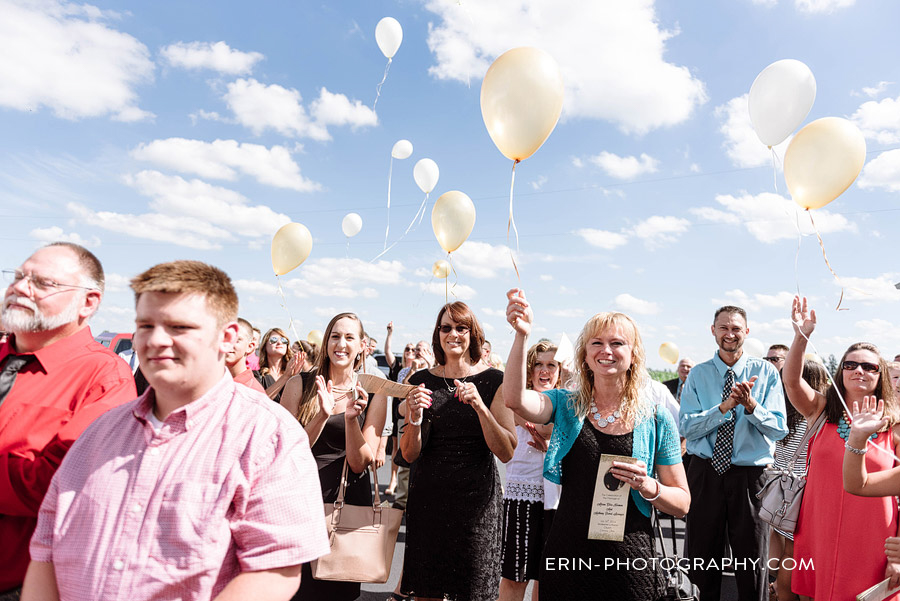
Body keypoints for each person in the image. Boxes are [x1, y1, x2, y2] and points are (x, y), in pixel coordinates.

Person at [21, 260, 329, 601]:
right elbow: (46, 548)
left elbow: (273, 572)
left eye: (178, 327)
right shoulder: (99, 432)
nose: (156, 340)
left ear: (226, 339)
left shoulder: (268, 436)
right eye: (145, 325)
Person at [504, 289, 689, 600]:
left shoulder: (656, 418)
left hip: (631, 563)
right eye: (597, 343)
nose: (607, 350)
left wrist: (649, 487)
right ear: (586, 356)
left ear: (633, 354)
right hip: (568, 556)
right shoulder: (565, 405)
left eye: (617, 343)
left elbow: (682, 502)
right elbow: (515, 400)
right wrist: (521, 336)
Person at [0, 242, 136, 597]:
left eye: (42, 283)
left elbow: (61, 484)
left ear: (88, 302)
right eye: (17, 277)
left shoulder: (105, 378)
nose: (19, 288)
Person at [785, 295, 900, 600]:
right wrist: (801, 338)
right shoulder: (821, 410)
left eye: (869, 366)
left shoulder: (894, 425)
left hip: (873, 534)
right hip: (818, 525)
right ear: (841, 371)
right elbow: (793, 382)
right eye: (851, 364)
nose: (859, 370)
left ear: (881, 376)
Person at [400, 301, 516, 601]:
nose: (453, 334)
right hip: (430, 500)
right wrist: (413, 418)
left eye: (461, 328)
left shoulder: (493, 381)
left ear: (472, 333)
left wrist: (480, 407)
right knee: (428, 591)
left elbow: (506, 451)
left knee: (473, 591)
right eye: (446, 328)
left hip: (476, 504)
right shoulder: (420, 381)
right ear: (438, 334)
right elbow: (409, 454)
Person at [679, 304, 786, 601]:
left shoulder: (766, 373)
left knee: (752, 558)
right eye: (723, 327)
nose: (730, 334)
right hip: (705, 472)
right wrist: (723, 408)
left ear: (747, 333)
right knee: (703, 556)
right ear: (712, 331)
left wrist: (751, 407)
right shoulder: (698, 375)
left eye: (736, 328)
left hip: (751, 477)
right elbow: (687, 426)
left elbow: (779, 428)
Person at [280, 312, 388, 601]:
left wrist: (352, 419)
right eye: (335, 336)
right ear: (326, 341)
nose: (341, 343)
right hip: (302, 500)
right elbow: (288, 452)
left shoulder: (374, 393)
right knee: (296, 590)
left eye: (350, 337)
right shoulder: (299, 385)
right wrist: (322, 416)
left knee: (337, 591)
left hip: (348, 504)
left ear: (363, 346)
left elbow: (359, 462)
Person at [498, 340, 562, 601]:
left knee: (547, 578)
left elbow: (548, 431)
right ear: (529, 369)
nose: (544, 370)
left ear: (560, 371)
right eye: (538, 364)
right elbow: (543, 426)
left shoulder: (566, 401)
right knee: (515, 576)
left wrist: (549, 444)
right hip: (523, 494)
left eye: (551, 365)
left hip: (558, 499)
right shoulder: (517, 398)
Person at [769, 358, 826, 601]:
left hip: (783, 494)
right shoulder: (813, 419)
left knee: (786, 555)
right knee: (800, 557)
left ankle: (779, 594)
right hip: (805, 495)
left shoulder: (781, 416)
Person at [257, 328, 299, 402]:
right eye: (273, 340)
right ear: (265, 346)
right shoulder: (257, 375)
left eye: (284, 340)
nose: (279, 343)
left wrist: (295, 378)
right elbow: (260, 401)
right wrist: (286, 376)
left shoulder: (293, 373)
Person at [228, 317, 266, 393]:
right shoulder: (210, 381)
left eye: (236, 340)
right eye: (225, 338)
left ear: (250, 347)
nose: (228, 344)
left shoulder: (253, 391)